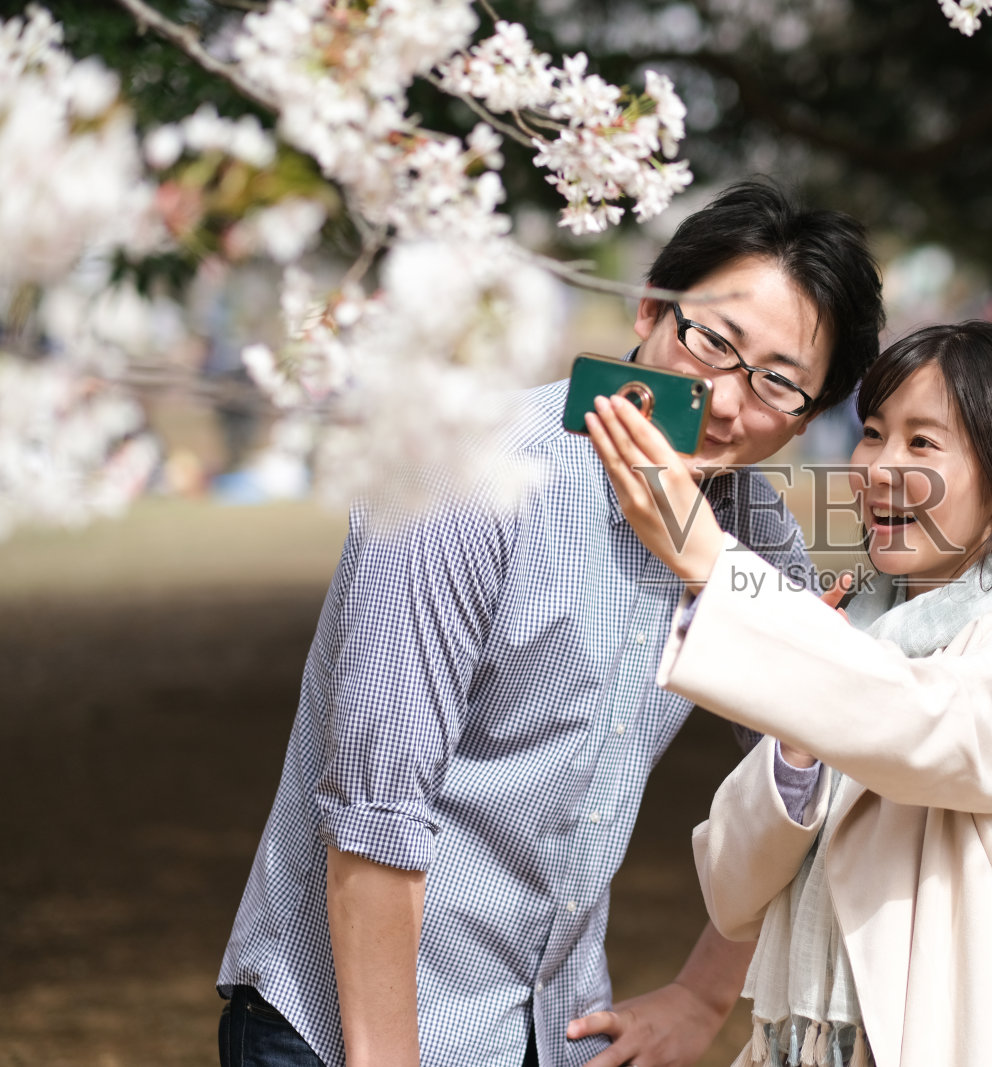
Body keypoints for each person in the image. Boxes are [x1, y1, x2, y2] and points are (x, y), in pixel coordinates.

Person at [216, 180, 885, 1067]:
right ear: (650, 309)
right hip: (341, 1030)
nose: (727, 403)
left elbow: (814, 762)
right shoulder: (462, 476)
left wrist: (703, 993)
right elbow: (374, 817)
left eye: (777, 384)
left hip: (551, 1027)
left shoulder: (750, 531)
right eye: (713, 343)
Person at [588, 320, 992, 1066]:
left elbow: (920, 726)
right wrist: (798, 741)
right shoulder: (846, 648)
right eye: (871, 433)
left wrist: (710, 556)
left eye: (923, 443)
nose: (879, 468)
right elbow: (731, 888)